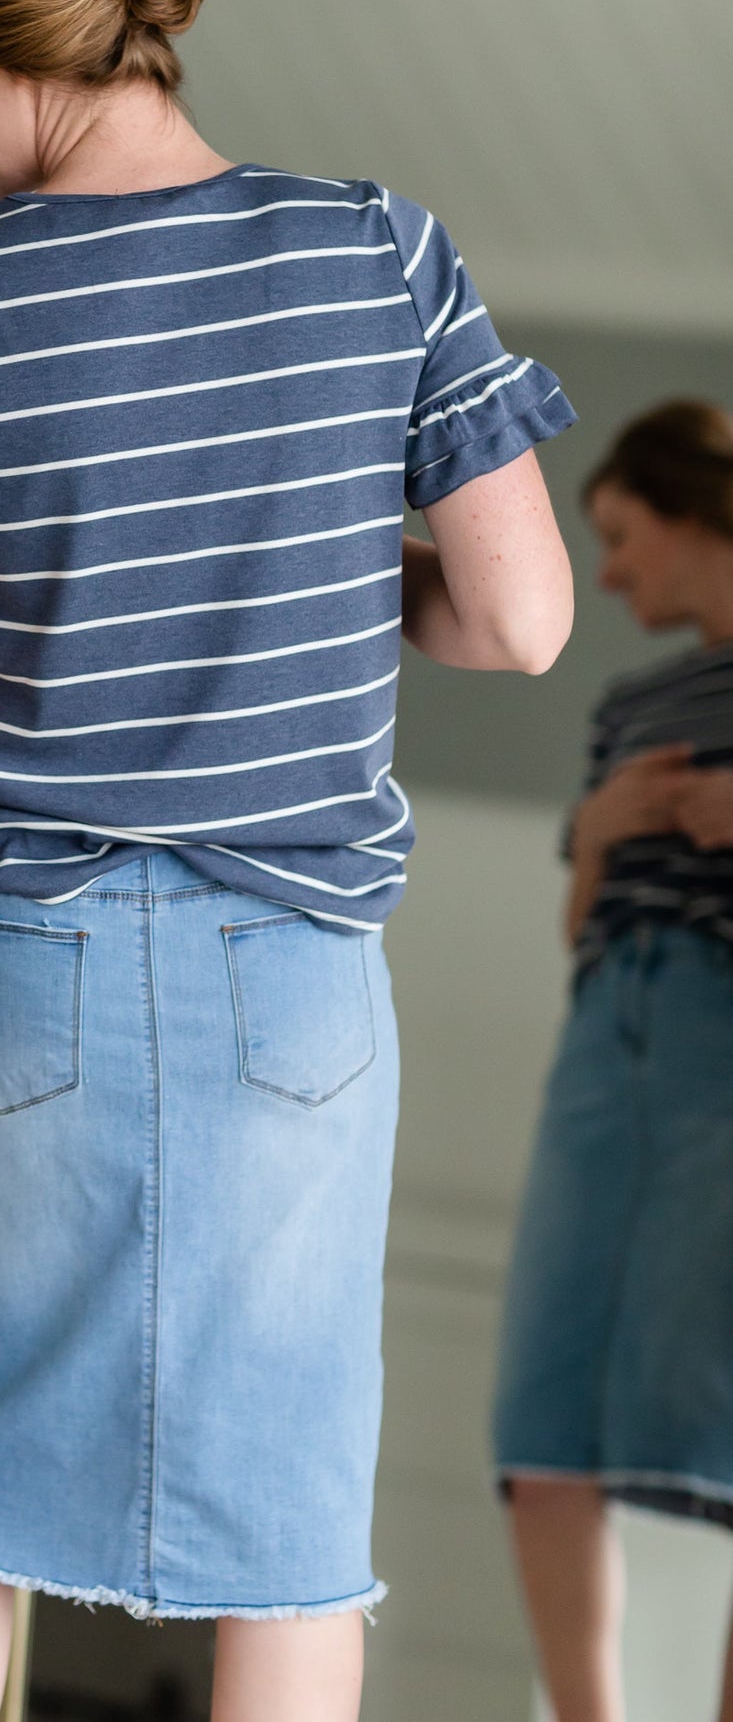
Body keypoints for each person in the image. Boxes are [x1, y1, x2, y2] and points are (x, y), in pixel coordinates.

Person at [0, 0, 576, 1722]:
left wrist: (30, 619)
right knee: (289, 1529)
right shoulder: (377, 249)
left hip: (11, 973)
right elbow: (521, 621)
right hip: (288, 981)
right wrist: (314, 601)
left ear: (7, 42)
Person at [495, 398, 733, 1722]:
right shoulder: (626, 704)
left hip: (719, 1037)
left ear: (694, 513)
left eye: (622, 535)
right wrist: (594, 829)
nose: (609, 571)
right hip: (602, 1040)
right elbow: (578, 926)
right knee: (540, 1419)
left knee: (717, 1408)